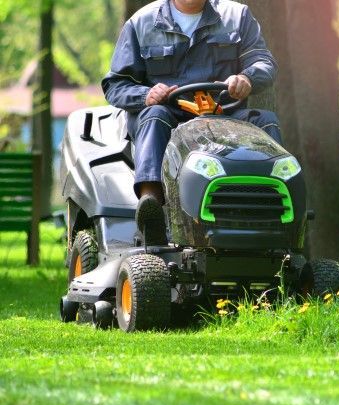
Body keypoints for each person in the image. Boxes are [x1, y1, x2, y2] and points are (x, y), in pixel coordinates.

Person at [102, 0, 280, 245]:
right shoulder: (141, 23)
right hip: (170, 118)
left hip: (224, 117)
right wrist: (146, 95)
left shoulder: (237, 16)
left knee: (266, 122)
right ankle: (151, 206)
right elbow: (116, 84)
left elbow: (264, 63)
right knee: (154, 116)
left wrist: (247, 77)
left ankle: (269, 210)